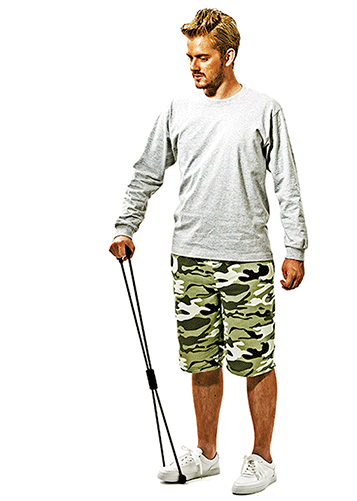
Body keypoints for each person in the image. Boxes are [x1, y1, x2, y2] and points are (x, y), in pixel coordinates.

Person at [109, 8, 308, 495]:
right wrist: (125, 226)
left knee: (255, 361)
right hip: (190, 256)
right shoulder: (178, 110)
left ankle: (262, 458)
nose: (193, 66)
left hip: (248, 258)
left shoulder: (264, 109)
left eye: (202, 56)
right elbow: (146, 172)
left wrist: (295, 247)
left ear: (229, 56)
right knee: (200, 358)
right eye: (189, 57)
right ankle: (206, 454)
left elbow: (287, 183)